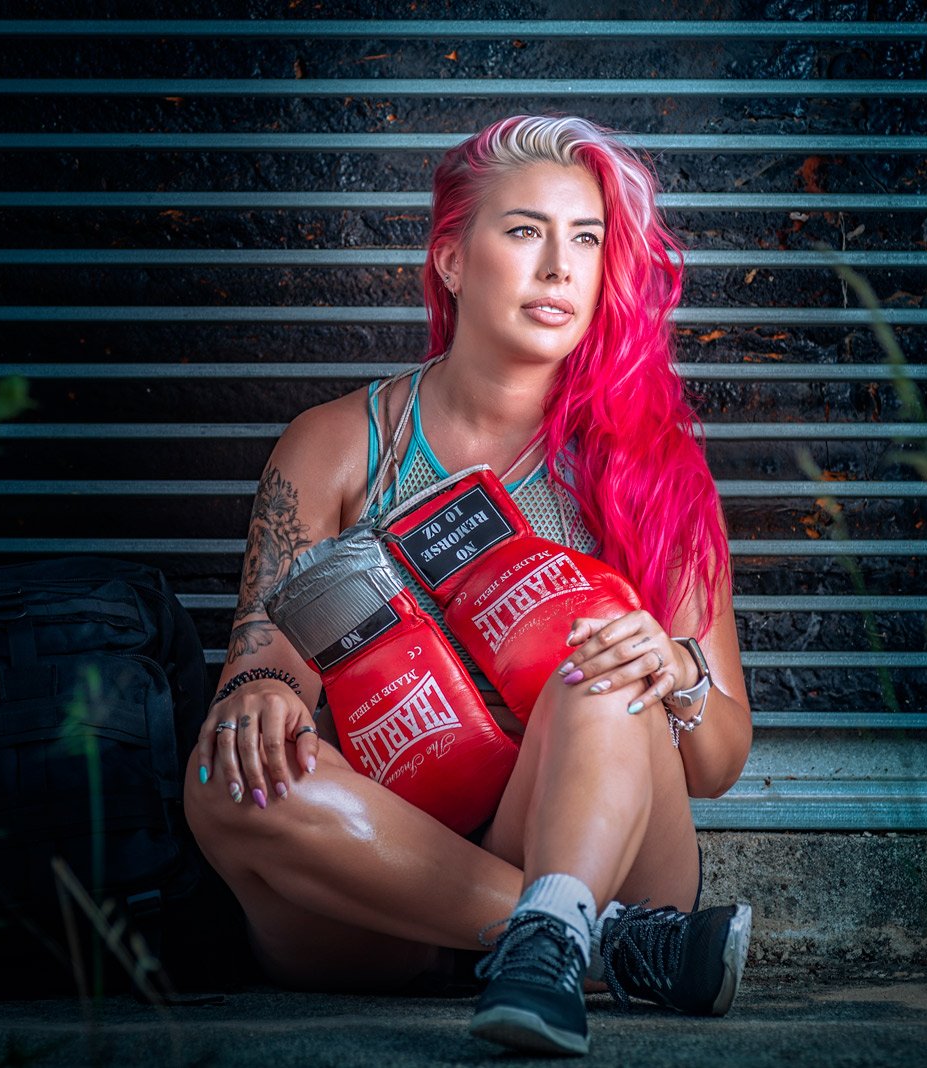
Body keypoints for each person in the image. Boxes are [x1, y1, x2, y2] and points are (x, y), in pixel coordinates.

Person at [183, 114, 753, 1056]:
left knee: (598, 654)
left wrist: (675, 667)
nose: (560, 267)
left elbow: (721, 761)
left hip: (588, 842)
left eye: (587, 238)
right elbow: (263, 665)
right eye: (525, 231)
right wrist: (260, 697)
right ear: (451, 259)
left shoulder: (653, 466)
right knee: (219, 779)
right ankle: (592, 946)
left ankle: (566, 918)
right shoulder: (335, 444)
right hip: (378, 886)